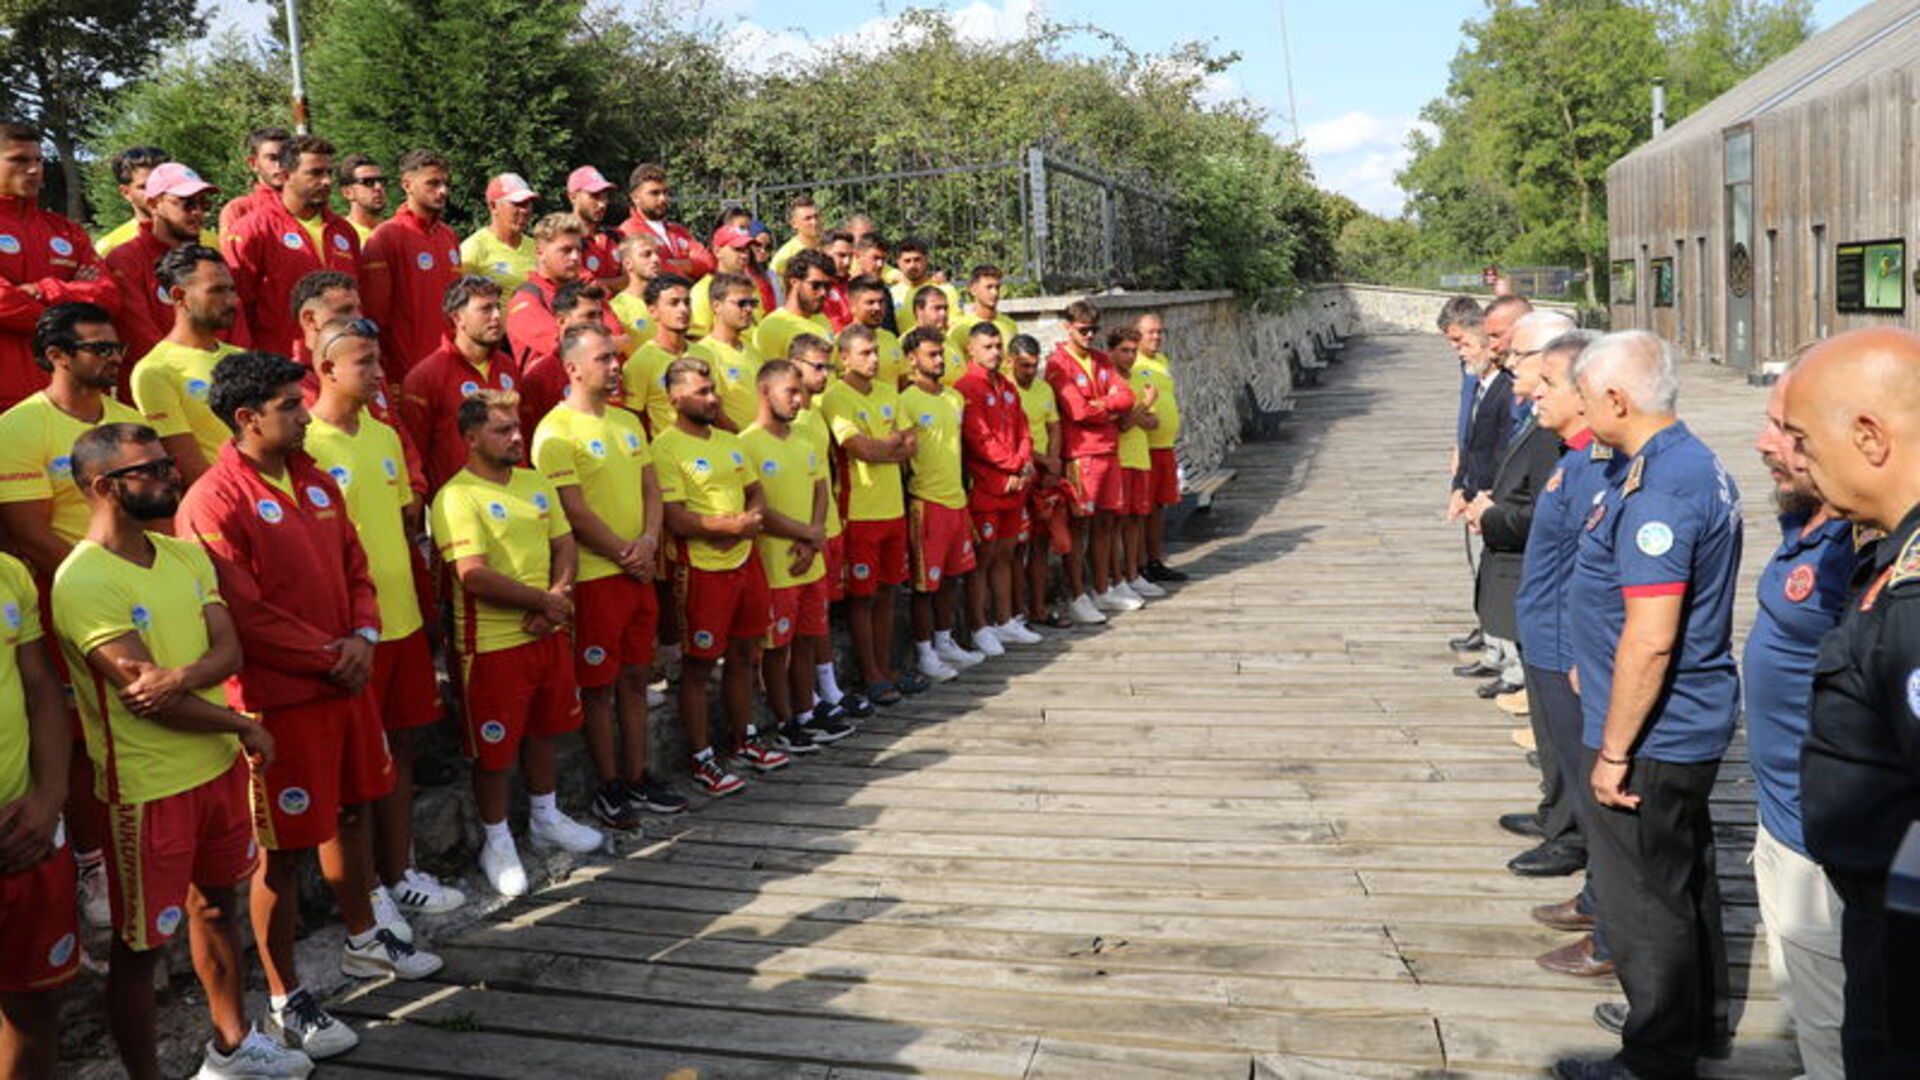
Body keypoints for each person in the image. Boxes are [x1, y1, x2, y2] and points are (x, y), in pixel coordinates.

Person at [180, 350, 443, 1057]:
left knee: (353, 810)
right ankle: (284, 995)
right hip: (280, 702)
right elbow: (244, 610)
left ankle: (364, 937)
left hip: (344, 682)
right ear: (247, 417)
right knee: (283, 852)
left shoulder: (316, 480)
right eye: (291, 406)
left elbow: (357, 565)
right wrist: (334, 655)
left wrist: (362, 633)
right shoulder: (214, 499)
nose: (305, 413)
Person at [53, 422, 311, 1080]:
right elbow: (142, 692)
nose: (171, 476)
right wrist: (240, 726)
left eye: (169, 464)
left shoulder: (184, 557)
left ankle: (231, 1043)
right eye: (153, 470)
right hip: (147, 788)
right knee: (143, 949)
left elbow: (227, 650)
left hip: (213, 770)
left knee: (218, 907)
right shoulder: (82, 580)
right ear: (105, 487)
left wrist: (180, 679)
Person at [1554, 330, 1740, 1080]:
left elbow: (1652, 639)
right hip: (1679, 723)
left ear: (1617, 399)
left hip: (1655, 734)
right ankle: (1692, 1021)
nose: (1585, 410)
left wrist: (1614, 752)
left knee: (1643, 898)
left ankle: (1656, 1055)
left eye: (1588, 396)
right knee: (1683, 874)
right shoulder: (1681, 462)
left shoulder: (1660, 487)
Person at [1782, 326, 1920, 1078]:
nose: (1797, 459)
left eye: (1804, 438)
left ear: (1869, 435)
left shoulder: (1914, 599)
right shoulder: (1891, 556)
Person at [301, 318, 466, 925]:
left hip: (399, 619)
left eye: (378, 360)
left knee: (399, 749)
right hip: (349, 634)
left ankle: (401, 874)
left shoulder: (383, 435)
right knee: (355, 769)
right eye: (364, 362)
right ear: (326, 369)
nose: (378, 373)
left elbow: (402, 523)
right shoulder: (307, 444)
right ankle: (366, 892)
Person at [0, 304, 142, 939]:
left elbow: (156, 516)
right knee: (81, 735)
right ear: (57, 355)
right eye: (99, 348)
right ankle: (89, 862)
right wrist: (101, 579)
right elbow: (28, 532)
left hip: (141, 596)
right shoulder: (21, 427)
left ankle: (134, 849)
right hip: (63, 603)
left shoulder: (130, 424)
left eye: (115, 346)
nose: (114, 357)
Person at [430, 390, 604, 897]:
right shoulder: (456, 496)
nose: (516, 438)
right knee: (494, 751)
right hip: (491, 646)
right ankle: (496, 839)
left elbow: (564, 544)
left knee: (546, 728)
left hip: (546, 631)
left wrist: (558, 595)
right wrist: (542, 602)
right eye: (503, 430)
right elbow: (473, 576)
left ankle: (546, 816)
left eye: (517, 428)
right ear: (470, 438)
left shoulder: (534, 483)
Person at [1741, 366, 1852, 1080]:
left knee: (1841, 1027)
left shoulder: (1861, 551)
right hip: (1780, 818)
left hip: (1828, 845)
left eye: (1788, 430)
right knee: (1806, 1004)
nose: (1763, 442)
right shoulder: (1809, 515)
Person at [531, 325, 688, 827]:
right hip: (597, 577)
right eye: (603, 359)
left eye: (616, 357)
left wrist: (647, 542)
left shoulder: (627, 423)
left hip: (637, 571)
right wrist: (625, 551)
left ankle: (638, 774)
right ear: (573, 367)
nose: (615, 366)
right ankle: (609, 784)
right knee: (597, 685)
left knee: (637, 676)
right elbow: (572, 511)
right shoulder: (555, 431)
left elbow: (651, 491)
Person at [1508, 329, 1621, 982]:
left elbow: (1596, 569)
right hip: (1549, 638)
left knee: (1596, 795)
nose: (1537, 395)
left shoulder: (1597, 467)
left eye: (1548, 384)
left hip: (1569, 645)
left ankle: (1611, 922)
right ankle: (1596, 899)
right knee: (1577, 781)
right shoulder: (1576, 459)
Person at [1462, 312, 1581, 877]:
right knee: (1550, 727)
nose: (1507, 365)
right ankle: (1556, 813)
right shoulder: (1545, 424)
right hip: (1538, 598)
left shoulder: (1567, 440)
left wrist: (1493, 515)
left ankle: (1568, 833)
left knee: (1565, 728)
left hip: (1559, 604)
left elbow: (1552, 515)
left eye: (1518, 358)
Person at [651, 357, 788, 793]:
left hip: (745, 563)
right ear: (674, 398)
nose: (712, 399)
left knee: (747, 654)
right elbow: (674, 517)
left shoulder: (729, 440)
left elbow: (755, 489)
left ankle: (744, 738)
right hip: (701, 570)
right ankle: (701, 758)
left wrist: (752, 518)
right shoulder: (665, 447)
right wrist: (728, 527)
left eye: (713, 391)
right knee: (698, 667)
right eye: (701, 392)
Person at [0, 540, 73, 1080]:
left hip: (26, 827)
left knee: (36, 1007)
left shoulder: (8, 574)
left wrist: (49, 798)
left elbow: (41, 686)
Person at [822, 324, 923, 704]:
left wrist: (885, 446)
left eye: (876, 352)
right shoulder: (836, 398)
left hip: (892, 508)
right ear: (843, 357)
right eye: (864, 353)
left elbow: (910, 445)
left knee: (888, 591)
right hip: (859, 511)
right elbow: (859, 449)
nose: (874, 359)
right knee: (862, 597)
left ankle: (887, 668)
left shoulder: (887, 391)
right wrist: (888, 443)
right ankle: (870, 673)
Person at [739, 359, 835, 755]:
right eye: (790, 392)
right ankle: (783, 722)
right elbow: (759, 510)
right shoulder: (747, 443)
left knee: (809, 639)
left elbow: (820, 491)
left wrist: (812, 541)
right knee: (777, 648)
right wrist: (806, 534)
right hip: (777, 565)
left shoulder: (804, 439)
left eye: (801, 392)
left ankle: (806, 711)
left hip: (809, 561)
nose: (800, 400)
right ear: (765, 392)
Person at [0, 122, 120, 412]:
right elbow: (3, 302)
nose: (33, 169)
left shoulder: (67, 231)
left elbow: (108, 297)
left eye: (38, 160)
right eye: (19, 160)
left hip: (73, 395)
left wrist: (43, 290)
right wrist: (74, 299)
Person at [786, 334, 864, 729]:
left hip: (828, 525)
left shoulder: (816, 411)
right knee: (802, 623)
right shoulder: (788, 416)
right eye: (818, 366)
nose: (826, 374)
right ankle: (808, 696)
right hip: (802, 533)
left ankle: (827, 687)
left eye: (829, 367)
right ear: (795, 365)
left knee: (822, 613)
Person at [224, 134, 359, 356]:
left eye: (329, 173)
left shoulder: (344, 231)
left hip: (341, 361)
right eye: (315, 173)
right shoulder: (254, 229)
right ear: (286, 175)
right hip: (281, 366)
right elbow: (236, 306)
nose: (326, 181)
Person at [899, 327, 983, 680]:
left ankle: (945, 640)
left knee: (952, 578)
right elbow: (904, 456)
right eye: (931, 355)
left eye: (941, 354)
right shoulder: (906, 401)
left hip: (956, 500)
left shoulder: (954, 398)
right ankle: (924, 653)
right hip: (926, 502)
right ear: (912, 360)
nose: (939, 360)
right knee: (924, 585)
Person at [1047, 299, 1137, 623]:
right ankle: (1076, 594)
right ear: (1067, 327)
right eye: (1083, 330)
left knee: (1105, 522)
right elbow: (1077, 410)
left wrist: (1103, 404)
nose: (1089, 336)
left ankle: (1102, 588)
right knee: (1079, 525)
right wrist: (1108, 408)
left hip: (1107, 450)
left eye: (1094, 330)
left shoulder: (1100, 359)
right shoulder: (1058, 363)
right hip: (1080, 453)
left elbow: (1127, 396)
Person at [952, 321, 1040, 654]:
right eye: (987, 346)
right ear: (971, 349)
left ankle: (1005, 620)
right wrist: (1016, 464)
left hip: (1013, 486)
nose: (994, 352)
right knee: (983, 558)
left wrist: (1023, 461)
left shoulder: (1006, 385)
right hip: (987, 488)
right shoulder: (966, 387)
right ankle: (980, 626)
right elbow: (978, 440)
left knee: (1006, 552)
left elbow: (1024, 428)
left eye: (997, 345)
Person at [104, 162, 238, 369]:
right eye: (187, 203)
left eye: (204, 204)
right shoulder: (126, 258)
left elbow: (236, 326)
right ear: (153, 204)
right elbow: (139, 336)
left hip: (221, 380)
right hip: (158, 383)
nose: (198, 212)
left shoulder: (210, 257)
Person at [130, 244, 243, 484]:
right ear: (179, 296)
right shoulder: (156, 370)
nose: (232, 301)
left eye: (232, 290)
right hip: (224, 504)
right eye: (217, 291)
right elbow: (188, 468)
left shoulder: (241, 357)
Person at [403, 275, 522, 494]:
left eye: (498, 307)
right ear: (458, 317)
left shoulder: (508, 366)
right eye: (486, 309)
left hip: (516, 502)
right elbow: (415, 454)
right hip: (461, 507)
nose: (497, 316)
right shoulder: (426, 376)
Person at [1447, 308, 1514, 681]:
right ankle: (1495, 648)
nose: (1461, 352)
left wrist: (1485, 496)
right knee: (1486, 574)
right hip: (1476, 490)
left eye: (1466, 344)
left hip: (1491, 494)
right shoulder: (1480, 384)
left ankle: (1506, 659)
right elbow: (1469, 440)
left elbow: (1503, 449)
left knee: (1498, 576)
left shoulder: (1504, 390)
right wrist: (1459, 486)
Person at [359, 149, 460, 384]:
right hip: (407, 374)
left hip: (450, 367)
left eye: (445, 183)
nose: (443, 191)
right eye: (433, 183)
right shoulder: (386, 237)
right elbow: (375, 315)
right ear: (407, 185)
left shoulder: (448, 236)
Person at [1437, 294, 1487, 656]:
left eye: (1459, 341)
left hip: (1486, 469)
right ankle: (1486, 623)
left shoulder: (1488, 364)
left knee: (1489, 552)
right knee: (1479, 554)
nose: (1457, 350)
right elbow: (1468, 407)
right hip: (1469, 460)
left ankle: (1493, 628)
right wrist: (1459, 445)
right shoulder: (1467, 365)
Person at [1010, 333, 1066, 628]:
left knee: (1041, 544)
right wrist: (1044, 460)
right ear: (1011, 362)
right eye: (1025, 366)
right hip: (1022, 474)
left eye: (1035, 366)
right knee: (1018, 547)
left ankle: (1039, 608)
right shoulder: (1006, 391)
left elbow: (1054, 426)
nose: (1031, 372)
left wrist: (1054, 461)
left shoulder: (1044, 388)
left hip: (1045, 475)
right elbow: (1011, 438)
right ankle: (1017, 612)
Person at [1132, 313, 1186, 583]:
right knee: (1143, 509)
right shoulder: (1134, 363)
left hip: (1165, 446)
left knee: (1159, 507)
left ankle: (1155, 560)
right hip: (1145, 447)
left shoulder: (1161, 361)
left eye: (1159, 332)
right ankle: (1140, 564)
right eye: (1150, 332)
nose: (1156, 337)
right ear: (1137, 333)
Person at [517, 279, 609, 434]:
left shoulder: (610, 367)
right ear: (561, 321)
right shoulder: (539, 378)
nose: (598, 323)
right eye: (590, 316)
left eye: (600, 315)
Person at [505, 212, 587, 371]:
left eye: (578, 249)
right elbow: (562, 345)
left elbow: (618, 333)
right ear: (540, 253)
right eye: (566, 250)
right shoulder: (526, 297)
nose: (576, 257)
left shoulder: (584, 292)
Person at [621, 274, 695, 438]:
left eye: (687, 302)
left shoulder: (705, 354)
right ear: (653, 311)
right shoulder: (640, 363)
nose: (683, 309)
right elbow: (633, 419)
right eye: (674, 303)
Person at [689, 271, 763, 432]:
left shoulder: (752, 351)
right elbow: (715, 413)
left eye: (752, 303)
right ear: (716, 306)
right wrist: (745, 442)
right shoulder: (703, 353)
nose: (749, 309)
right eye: (741, 303)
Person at [616, 163, 714, 282]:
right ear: (635, 197)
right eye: (654, 193)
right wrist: (689, 268)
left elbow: (708, 262)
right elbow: (658, 271)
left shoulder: (678, 230)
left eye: (665, 192)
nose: (663, 198)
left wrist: (672, 264)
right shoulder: (628, 231)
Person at [94, 145, 193, 258]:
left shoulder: (206, 240)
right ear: (126, 193)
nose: (156, 192)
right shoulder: (109, 249)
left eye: (164, 184)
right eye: (144, 186)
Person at [459, 172, 539, 291]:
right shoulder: (473, 249)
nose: (525, 210)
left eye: (528, 203)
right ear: (493, 206)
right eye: (517, 203)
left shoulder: (537, 248)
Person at [756, 248, 834, 367]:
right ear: (794, 282)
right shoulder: (773, 326)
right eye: (815, 285)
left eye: (827, 286)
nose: (823, 292)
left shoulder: (821, 318)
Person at [216, 126, 290, 236]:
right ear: (253, 164)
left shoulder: (308, 207)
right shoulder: (239, 209)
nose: (280, 165)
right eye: (272, 158)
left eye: (286, 158)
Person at [689, 225, 757, 341]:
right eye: (737, 249)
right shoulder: (702, 290)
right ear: (717, 251)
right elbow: (697, 340)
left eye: (747, 249)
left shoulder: (751, 287)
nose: (745, 255)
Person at [944, 266, 1018, 363]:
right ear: (973, 290)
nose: (994, 293)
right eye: (989, 287)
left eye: (997, 287)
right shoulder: (961, 327)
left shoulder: (1010, 325)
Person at [564, 167, 622, 287]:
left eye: (605, 196)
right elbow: (585, 287)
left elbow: (636, 278)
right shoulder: (562, 239)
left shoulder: (616, 236)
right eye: (594, 196)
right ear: (573, 197)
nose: (602, 204)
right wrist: (623, 282)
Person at [890, 238, 960, 336]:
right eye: (907, 261)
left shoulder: (945, 290)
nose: (912, 265)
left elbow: (955, 326)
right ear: (898, 262)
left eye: (917, 260)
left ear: (927, 259)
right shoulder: (891, 294)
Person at [846, 275, 907, 386]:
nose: (877, 308)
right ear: (852, 306)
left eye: (881, 302)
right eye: (870, 302)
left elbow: (902, 381)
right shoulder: (841, 342)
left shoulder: (890, 338)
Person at [608, 232, 662, 348]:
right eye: (646, 254)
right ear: (628, 263)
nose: (656, 259)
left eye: (657, 254)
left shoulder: (669, 300)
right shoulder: (617, 308)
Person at [334, 153, 387, 245]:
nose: (378, 187)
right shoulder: (339, 235)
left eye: (381, 181)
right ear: (347, 192)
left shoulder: (396, 233)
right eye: (368, 182)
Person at [770, 194, 821, 278]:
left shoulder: (828, 247)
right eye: (808, 218)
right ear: (794, 224)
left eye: (816, 216)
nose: (814, 222)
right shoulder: (785, 257)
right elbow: (775, 288)